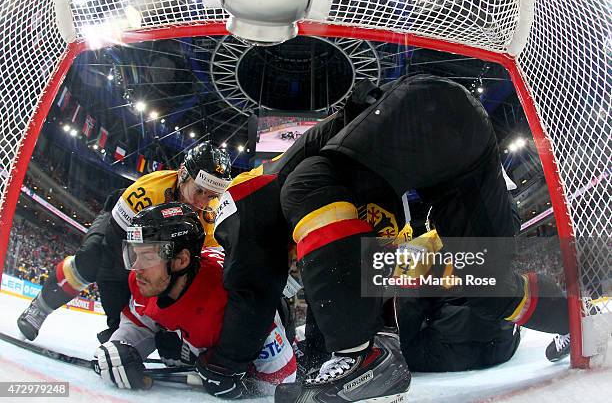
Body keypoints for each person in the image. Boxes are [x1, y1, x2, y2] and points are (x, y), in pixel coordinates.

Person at [200, 75, 570, 402]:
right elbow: (351, 282)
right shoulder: (345, 206)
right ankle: (579, 321)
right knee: (487, 284)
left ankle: (361, 358)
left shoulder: (245, 202)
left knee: (306, 183)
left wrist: (226, 367)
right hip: (463, 145)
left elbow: (252, 293)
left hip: (428, 107)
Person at [17, 142, 232, 342]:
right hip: (121, 228)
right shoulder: (147, 193)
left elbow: (201, 268)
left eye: (211, 196)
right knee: (92, 258)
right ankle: (42, 306)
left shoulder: (210, 214)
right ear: (183, 174)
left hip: (155, 242)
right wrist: (116, 318)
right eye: (199, 191)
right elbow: (112, 255)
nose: (203, 202)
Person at [95, 202, 296, 397]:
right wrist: (122, 345)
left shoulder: (233, 301)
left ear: (182, 260)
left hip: (274, 315)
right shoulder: (147, 281)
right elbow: (141, 321)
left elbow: (283, 378)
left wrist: (244, 389)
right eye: (133, 254)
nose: (136, 268)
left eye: (147, 257)